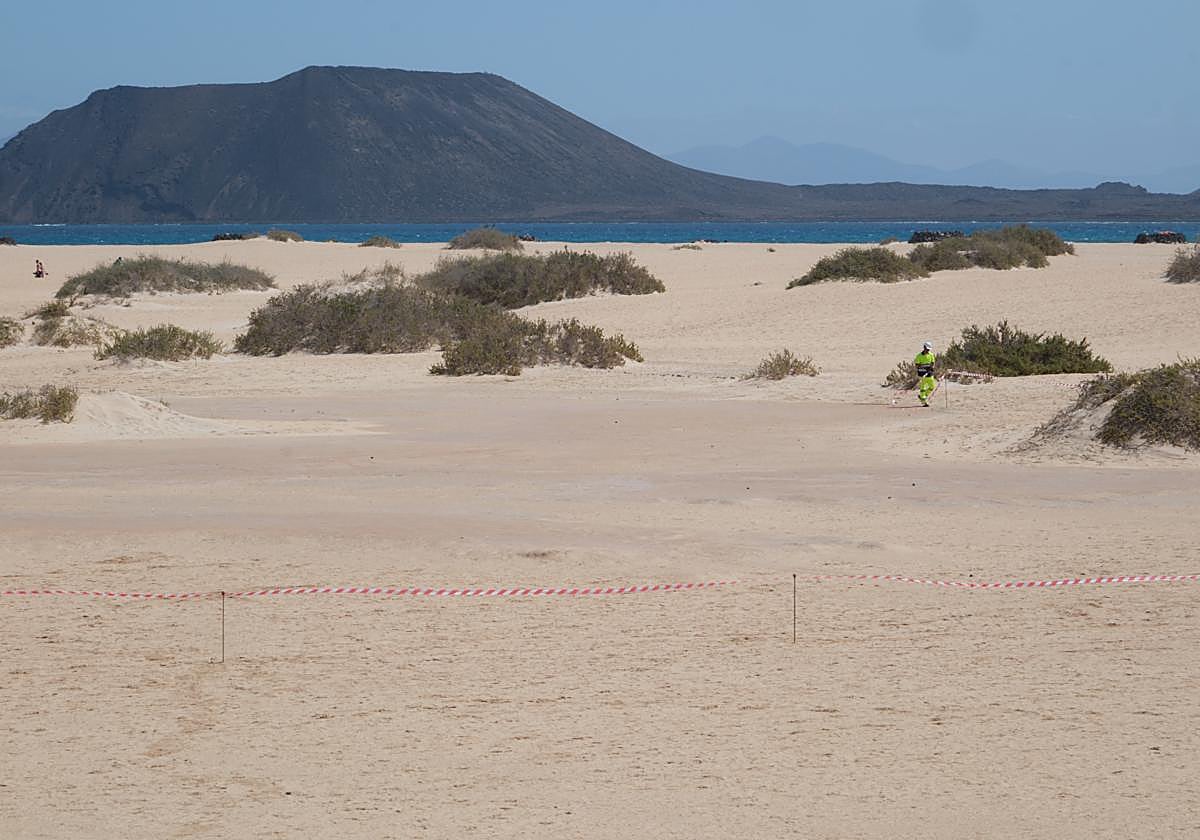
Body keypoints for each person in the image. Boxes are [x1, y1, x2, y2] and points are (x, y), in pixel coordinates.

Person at [914, 340, 937, 407]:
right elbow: (917, 365)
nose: (928, 350)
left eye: (928, 349)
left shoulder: (931, 355)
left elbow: (932, 363)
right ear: (924, 347)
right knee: (923, 388)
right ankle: (923, 401)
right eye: (927, 349)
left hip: (930, 374)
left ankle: (923, 397)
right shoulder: (919, 356)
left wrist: (931, 368)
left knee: (932, 387)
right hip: (922, 375)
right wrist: (923, 367)